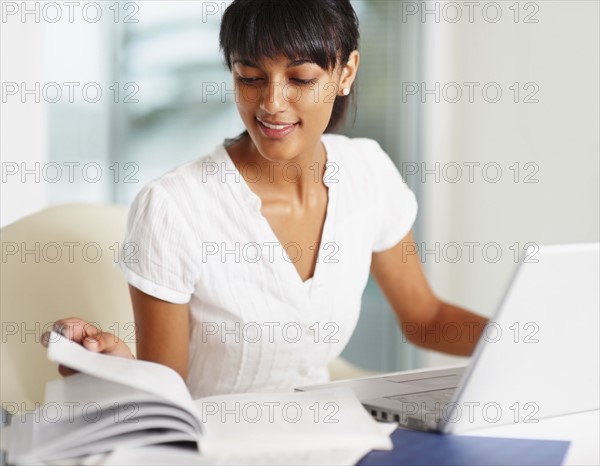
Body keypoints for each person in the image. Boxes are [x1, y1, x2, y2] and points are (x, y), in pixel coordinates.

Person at [42, 0, 488, 399]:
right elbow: (166, 391)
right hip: (214, 448)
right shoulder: (173, 207)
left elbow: (425, 318)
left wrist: (529, 341)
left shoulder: (367, 172)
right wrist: (115, 364)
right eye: (251, 77)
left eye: (300, 78)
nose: (272, 102)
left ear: (345, 73)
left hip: (331, 437)